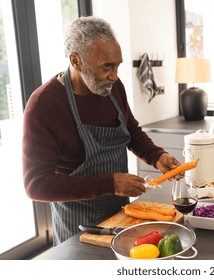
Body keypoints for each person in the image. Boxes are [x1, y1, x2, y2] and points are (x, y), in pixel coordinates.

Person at [22, 16, 181, 245]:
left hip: (120, 216)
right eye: (107, 66)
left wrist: (156, 156)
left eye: (117, 65)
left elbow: (131, 130)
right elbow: (35, 184)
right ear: (76, 61)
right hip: (77, 228)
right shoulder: (44, 105)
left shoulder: (113, 87)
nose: (115, 76)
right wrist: (111, 184)